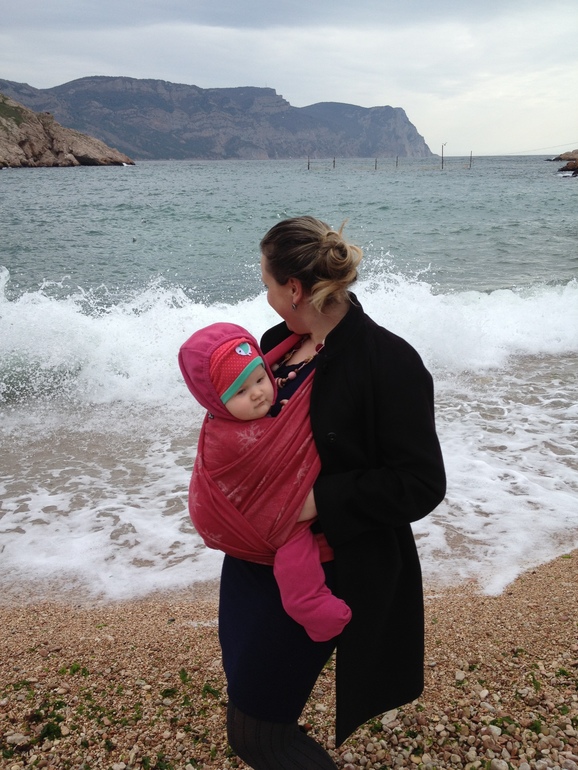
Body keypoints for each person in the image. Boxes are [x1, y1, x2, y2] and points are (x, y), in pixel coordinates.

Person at [218, 216, 446, 770]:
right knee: (251, 693)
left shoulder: (388, 361)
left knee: (258, 735)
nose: (266, 295)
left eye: (268, 283)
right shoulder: (274, 347)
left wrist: (314, 500)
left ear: (294, 288)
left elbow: (421, 482)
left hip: (325, 570)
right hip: (254, 562)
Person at [178, 323, 352, 642]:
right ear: (216, 403)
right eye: (240, 392)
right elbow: (279, 449)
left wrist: (276, 414)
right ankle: (307, 604)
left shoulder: (252, 406)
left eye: (260, 379)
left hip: (243, 525)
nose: (258, 393)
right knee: (294, 550)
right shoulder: (224, 435)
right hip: (250, 517)